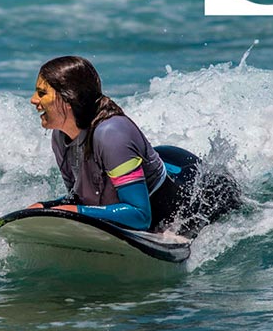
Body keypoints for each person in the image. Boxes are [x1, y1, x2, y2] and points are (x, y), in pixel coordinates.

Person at [26, 56, 180, 232]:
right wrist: (46, 207)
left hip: (183, 193)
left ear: (68, 98)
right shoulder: (60, 138)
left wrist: (76, 212)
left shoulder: (112, 135)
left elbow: (140, 216)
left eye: (42, 93)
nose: (33, 100)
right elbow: (78, 199)